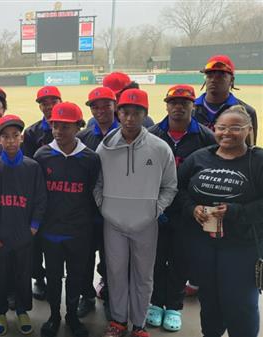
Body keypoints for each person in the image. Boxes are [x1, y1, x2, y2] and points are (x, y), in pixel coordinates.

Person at [94, 89, 178, 337]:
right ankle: (119, 321)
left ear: (145, 114)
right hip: (113, 224)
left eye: (136, 113)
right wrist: (105, 207)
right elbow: (97, 184)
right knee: (116, 273)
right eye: (125, 112)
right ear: (118, 113)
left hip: (145, 223)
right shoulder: (105, 146)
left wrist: (155, 209)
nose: (130, 119)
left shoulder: (160, 148)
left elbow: (170, 186)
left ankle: (139, 325)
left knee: (143, 275)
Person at [176, 105, 262, 337]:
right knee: (210, 299)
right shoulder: (200, 157)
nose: (226, 133)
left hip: (241, 247)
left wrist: (236, 211)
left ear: (248, 130)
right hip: (203, 245)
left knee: (240, 301)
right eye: (221, 127)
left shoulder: (258, 160)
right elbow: (178, 190)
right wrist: (192, 208)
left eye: (235, 128)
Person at [146, 85, 216, 332]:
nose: (178, 107)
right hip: (156, 210)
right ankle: (154, 302)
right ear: (166, 105)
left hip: (189, 211)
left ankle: (174, 306)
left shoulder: (206, 137)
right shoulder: (152, 134)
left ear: (192, 106)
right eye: (173, 102)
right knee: (155, 259)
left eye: (184, 103)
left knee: (180, 260)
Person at [34, 102, 101, 337]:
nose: (59, 132)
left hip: (79, 232)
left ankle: (72, 316)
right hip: (50, 232)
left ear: (78, 127)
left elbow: (93, 194)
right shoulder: (42, 155)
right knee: (53, 278)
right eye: (55, 126)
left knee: (76, 277)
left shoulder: (90, 158)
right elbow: (37, 196)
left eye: (65, 127)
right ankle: (54, 315)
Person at [0, 115, 47, 336]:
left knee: (23, 273)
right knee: (1, 274)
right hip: (0, 233)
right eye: (6, 137)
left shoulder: (32, 166)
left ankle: (23, 310)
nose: (11, 141)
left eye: (15, 136)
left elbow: (41, 199)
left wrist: (33, 226)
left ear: (22, 138)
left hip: (24, 232)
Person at [76, 86, 119, 319]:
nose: (100, 110)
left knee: (113, 257)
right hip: (88, 209)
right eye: (95, 106)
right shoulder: (83, 137)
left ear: (115, 106)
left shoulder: (127, 133)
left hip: (116, 209)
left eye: (106, 105)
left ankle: (112, 297)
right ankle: (87, 296)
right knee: (84, 257)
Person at [22, 85, 61, 301]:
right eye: (43, 103)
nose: (48, 106)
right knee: (35, 242)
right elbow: (28, 166)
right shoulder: (31, 132)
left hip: (61, 195)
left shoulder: (69, 125)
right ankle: (39, 278)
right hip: (38, 195)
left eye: (52, 102)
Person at [194, 54, 258, 145]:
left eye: (220, 76)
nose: (213, 80)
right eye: (209, 75)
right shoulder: (190, 109)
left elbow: (250, 151)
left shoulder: (247, 112)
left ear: (231, 80)